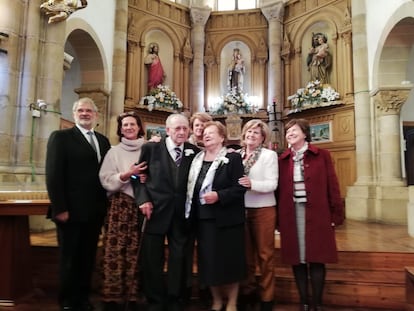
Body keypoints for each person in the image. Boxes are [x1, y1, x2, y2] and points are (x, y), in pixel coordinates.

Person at [45, 97, 111, 311]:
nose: (85, 114)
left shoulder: (103, 141)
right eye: (81, 110)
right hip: (70, 212)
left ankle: (83, 298)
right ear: (74, 114)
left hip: (94, 212)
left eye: (89, 111)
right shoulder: (61, 137)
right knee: (69, 258)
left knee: (88, 257)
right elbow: (53, 175)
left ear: (96, 115)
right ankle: (67, 301)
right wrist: (60, 208)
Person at [276, 118, 344, 311]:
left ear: (305, 133)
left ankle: (317, 303)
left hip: (318, 212)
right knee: (297, 258)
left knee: (317, 257)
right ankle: (304, 301)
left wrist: (336, 214)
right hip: (291, 213)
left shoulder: (322, 155)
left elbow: (333, 185)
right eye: (288, 131)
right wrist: (278, 220)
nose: (290, 133)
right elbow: (278, 190)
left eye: (294, 130)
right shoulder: (282, 159)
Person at [133, 113, 200, 311]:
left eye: (184, 128)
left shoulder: (194, 151)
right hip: (154, 211)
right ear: (167, 130)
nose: (181, 132)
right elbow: (137, 177)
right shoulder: (150, 148)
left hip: (182, 214)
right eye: (177, 128)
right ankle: (155, 299)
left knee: (178, 257)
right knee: (152, 258)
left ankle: (174, 297)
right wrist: (143, 199)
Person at [185, 121, 247, 311]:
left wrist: (219, 196)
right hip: (203, 219)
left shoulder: (232, 158)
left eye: (212, 133)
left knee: (230, 261)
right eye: (204, 133)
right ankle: (217, 300)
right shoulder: (196, 159)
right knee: (209, 262)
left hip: (227, 219)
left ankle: (232, 302)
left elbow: (239, 188)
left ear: (222, 137)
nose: (207, 135)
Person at [98, 111, 147, 311]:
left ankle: (133, 295)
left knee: (137, 251)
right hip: (119, 207)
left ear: (138, 127)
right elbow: (105, 179)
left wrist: (145, 179)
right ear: (120, 129)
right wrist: (128, 174)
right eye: (125, 125)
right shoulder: (114, 152)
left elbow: (156, 174)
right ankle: (113, 296)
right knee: (115, 251)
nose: (128, 128)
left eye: (132, 124)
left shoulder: (149, 148)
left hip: (142, 205)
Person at [237, 120, 278, 311]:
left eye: (256, 133)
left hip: (263, 209)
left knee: (265, 255)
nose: (251, 135)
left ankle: (267, 298)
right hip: (240, 210)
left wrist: (252, 184)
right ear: (244, 134)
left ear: (263, 138)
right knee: (245, 256)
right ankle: (248, 292)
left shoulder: (268, 155)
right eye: (249, 131)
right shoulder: (236, 155)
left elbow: (272, 184)